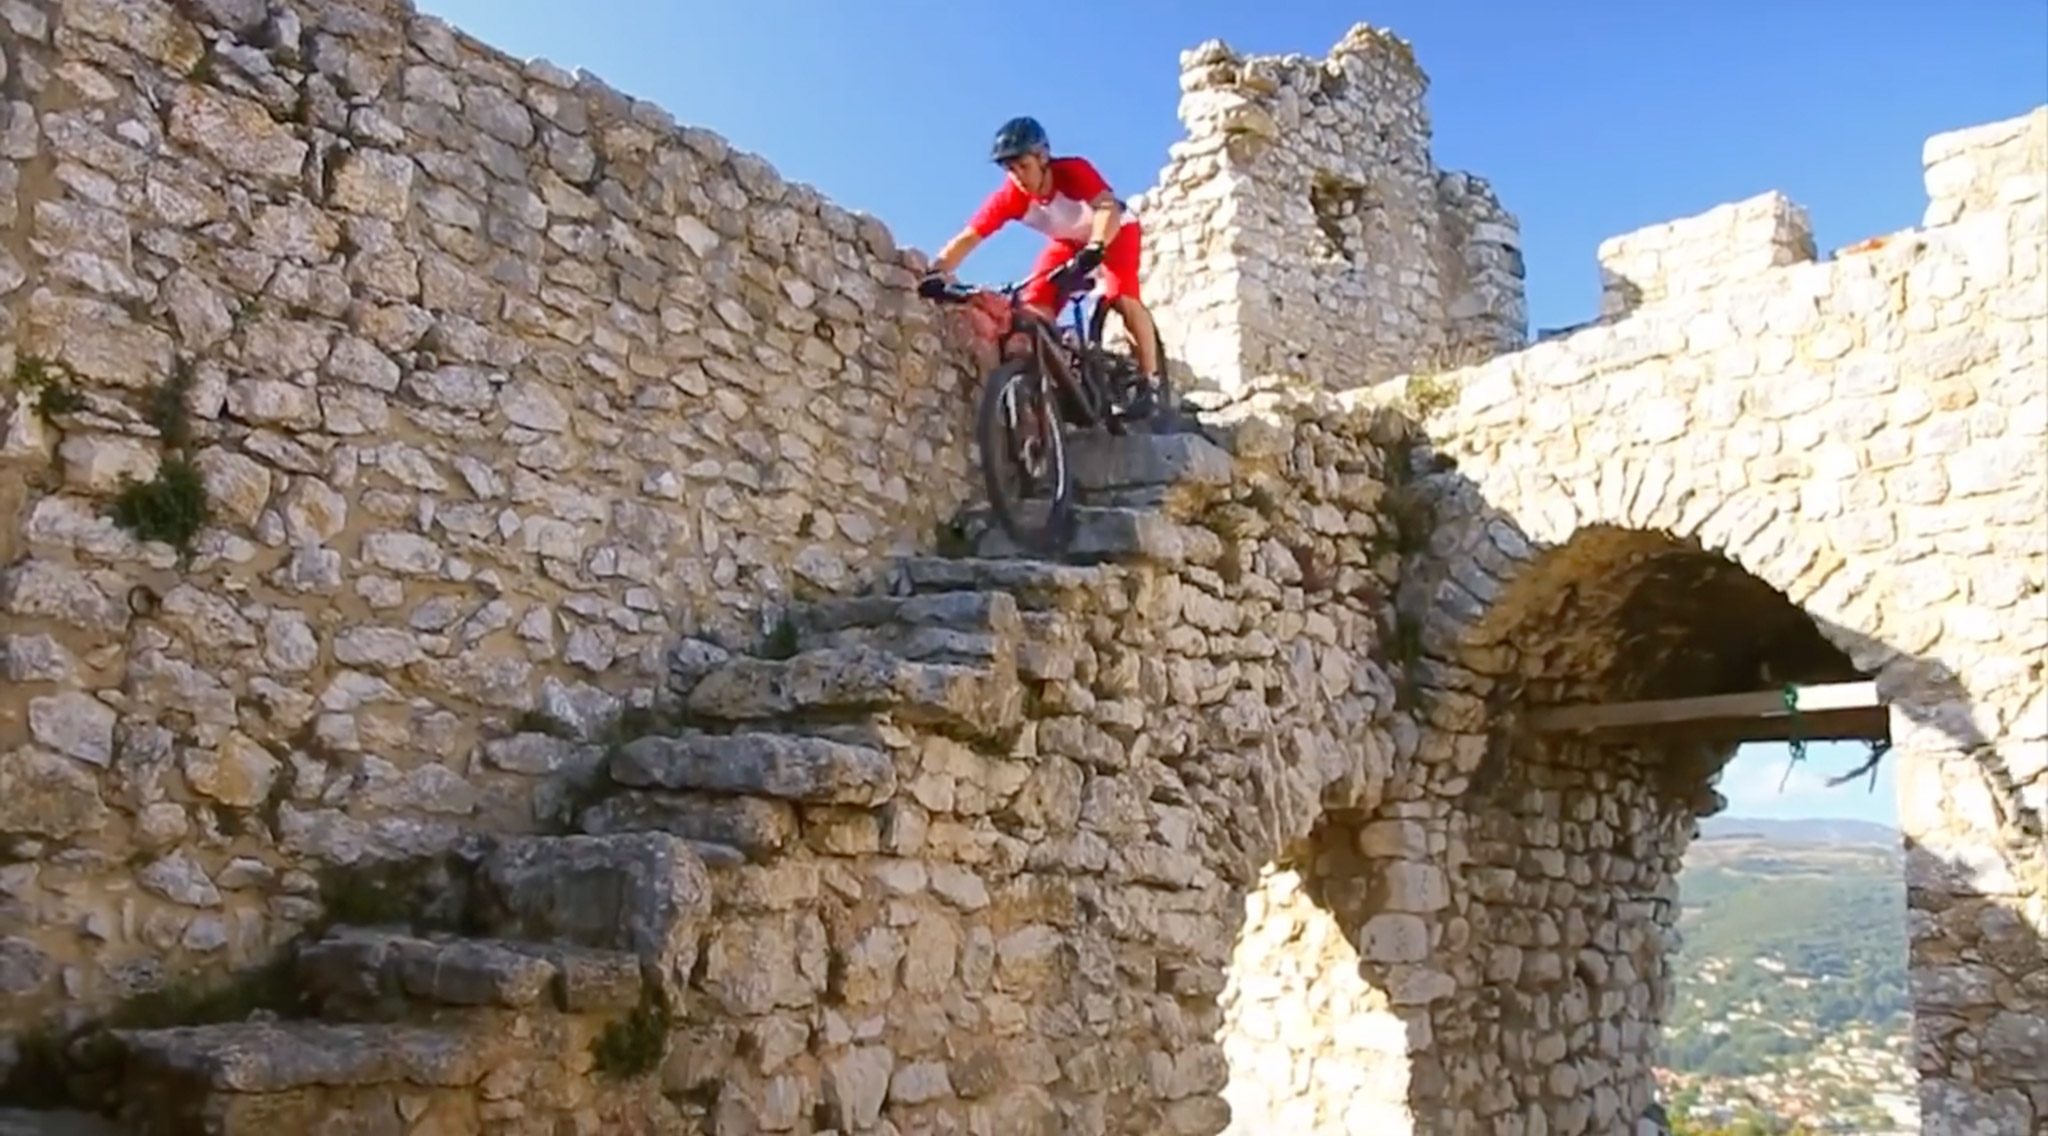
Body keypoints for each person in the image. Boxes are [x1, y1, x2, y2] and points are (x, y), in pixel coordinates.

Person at [919, 116, 1165, 420]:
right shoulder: (1012, 197)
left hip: (1113, 232)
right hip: (1068, 242)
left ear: (1043, 158)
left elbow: (1106, 207)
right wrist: (935, 272)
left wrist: (1097, 245)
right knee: (1033, 308)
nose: (1018, 176)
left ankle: (1151, 381)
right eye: (1010, 169)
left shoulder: (1073, 172)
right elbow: (969, 237)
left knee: (1120, 295)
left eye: (1023, 166)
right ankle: (1058, 374)